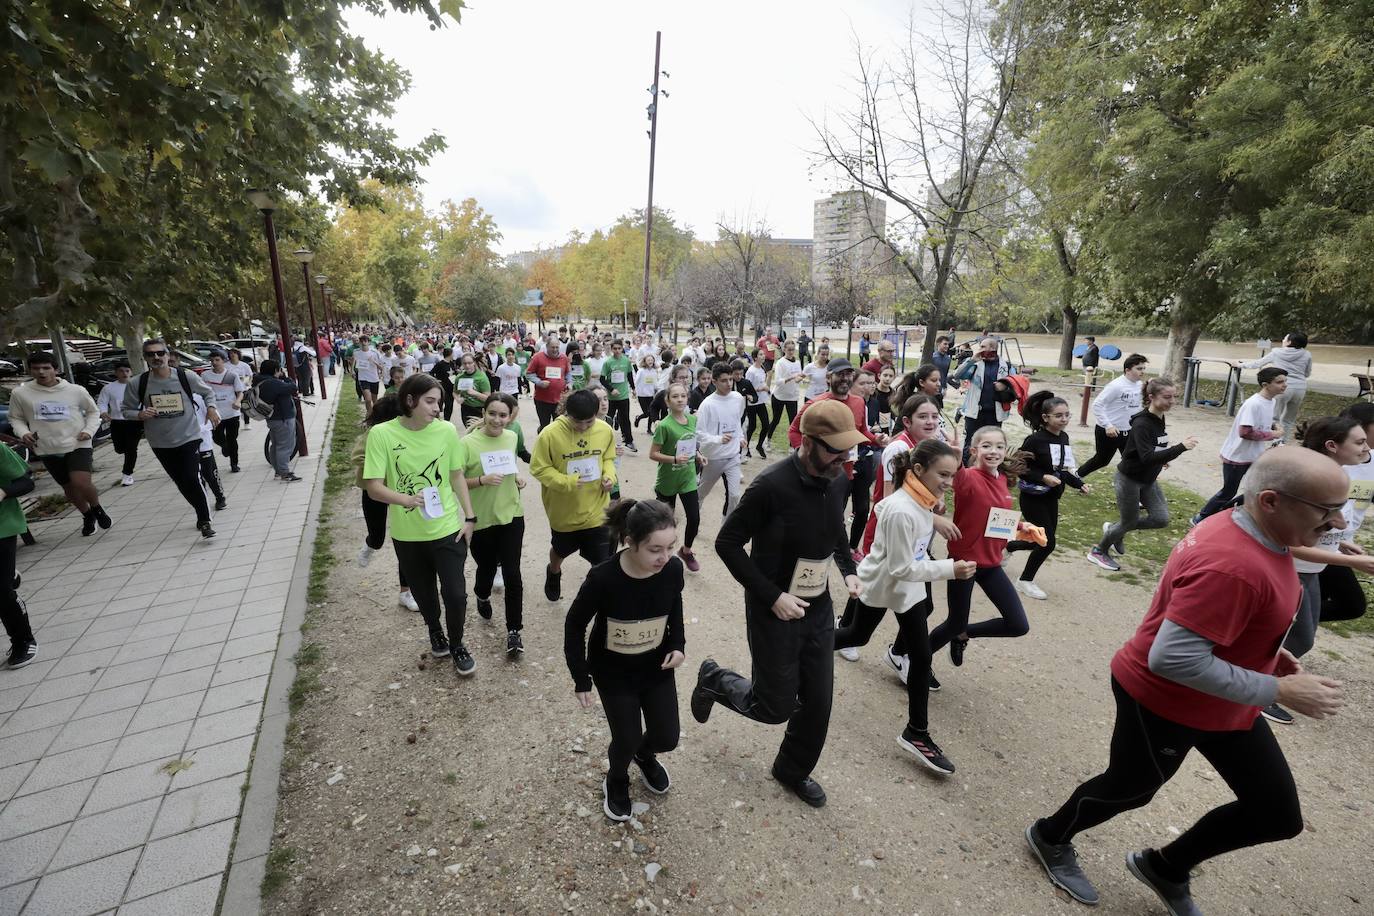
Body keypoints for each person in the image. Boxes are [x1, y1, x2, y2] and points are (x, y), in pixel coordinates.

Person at [1026, 447, 1345, 914]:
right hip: (1163, 699)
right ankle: (1050, 835)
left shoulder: (1249, 525)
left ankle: (1166, 867)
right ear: (1272, 500)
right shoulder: (1233, 565)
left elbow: (1223, 617)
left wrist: (1268, 653)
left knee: (1275, 813)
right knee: (1131, 787)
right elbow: (1172, 658)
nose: (1337, 523)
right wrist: (1277, 690)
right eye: (1326, 510)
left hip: (1222, 700)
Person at [690, 400, 866, 808]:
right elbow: (727, 543)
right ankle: (714, 679)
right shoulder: (770, 486)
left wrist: (847, 567)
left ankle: (792, 770)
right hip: (773, 610)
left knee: (818, 702)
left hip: (817, 606)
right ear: (807, 442)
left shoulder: (838, 479)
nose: (844, 457)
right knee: (773, 708)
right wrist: (772, 596)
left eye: (848, 449)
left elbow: (835, 529)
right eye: (835, 449)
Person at [835, 439, 976, 774]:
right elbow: (900, 567)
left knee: (921, 655)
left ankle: (917, 732)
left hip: (907, 589)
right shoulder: (904, 508)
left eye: (952, 475)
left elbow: (896, 523)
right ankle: (803, 644)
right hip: (886, 582)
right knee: (856, 634)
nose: (948, 482)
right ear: (918, 471)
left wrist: (934, 523)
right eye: (943, 474)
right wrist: (949, 570)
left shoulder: (921, 499)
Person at [564, 499, 686, 821]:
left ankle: (643, 756)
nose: (664, 557)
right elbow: (575, 624)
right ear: (631, 542)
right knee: (626, 737)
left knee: (667, 737)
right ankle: (616, 778)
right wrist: (581, 676)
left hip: (656, 667)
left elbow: (674, 604)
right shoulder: (603, 578)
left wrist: (677, 643)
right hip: (614, 673)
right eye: (655, 549)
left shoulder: (672, 569)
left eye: (670, 547)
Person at [363, 373, 478, 674]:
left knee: (456, 594)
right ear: (410, 400)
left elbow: (455, 475)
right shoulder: (382, 435)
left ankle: (457, 644)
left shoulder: (446, 431)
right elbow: (373, 486)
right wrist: (406, 500)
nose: (437, 408)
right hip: (408, 534)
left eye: (439, 402)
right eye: (430, 401)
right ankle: (434, 630)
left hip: (447, 529)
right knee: (425, 594)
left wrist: (469, 517)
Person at [927, 425, 1037, 673]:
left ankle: (963, 634)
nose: (993, 451)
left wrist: (1021, 526)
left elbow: (995, 517)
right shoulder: (968, 477)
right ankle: (914, 659)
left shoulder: (1001, 479)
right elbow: (958, 473)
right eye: (986, 446)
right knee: (954, 622)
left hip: (991, 563)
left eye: (999, 446)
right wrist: (955, 457)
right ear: (975, 451)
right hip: (964, 564)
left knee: (1018, 625)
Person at [1089, 378, 1199, 571]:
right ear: (1151, 397)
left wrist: (1162, 458)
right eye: (1167, 397)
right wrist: (1181, 447)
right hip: (1129, 479)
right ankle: (1099, 550)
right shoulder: (1142, 423)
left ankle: (1115, 529)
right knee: (1129, 521)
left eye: (1174, 397)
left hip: (1148, 479)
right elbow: (1147, 456)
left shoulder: (1159, 417)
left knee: (1160, 519)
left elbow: (1149, 448)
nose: (1172, 401)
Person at [122, 339, 219, 537]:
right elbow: (125, 411)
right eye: (151, 354)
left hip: (189, 436)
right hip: (160, 442)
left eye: (160, 353)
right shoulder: (137, 383)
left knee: (192, 477)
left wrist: (211, 408)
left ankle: (204, 520)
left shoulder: (185, 376)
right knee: (182, 482)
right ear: (145, 358)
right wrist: (139, 415)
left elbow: (208, 393)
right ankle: (200, 506)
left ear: (167, 355)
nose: (156, 357)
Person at [8, 351, 109, 536]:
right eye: (36, 368)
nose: (41, 372)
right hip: (47, 447)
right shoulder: (21, 393)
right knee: (69, 488)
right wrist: (24, 433)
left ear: (56, 369)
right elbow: (16, 418)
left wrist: (88, 431)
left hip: (77, 443)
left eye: (46, 368)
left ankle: (97, 507)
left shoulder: (74, 390)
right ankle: (87, 515)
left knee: (81, 482)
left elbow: (93, 412)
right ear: (30, 370)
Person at [530, 389, 617, 602]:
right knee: (559, 551)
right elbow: (538, 468)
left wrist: (609, 476)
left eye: (590, 422)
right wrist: (567, 481)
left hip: (596, 509)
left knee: (602, 561)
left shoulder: (605, 430)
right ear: (567, 412)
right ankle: (554, 571)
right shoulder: (549, 434)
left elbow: (608, 458)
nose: (584, 427)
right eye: (579, 422)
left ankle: (598, 598)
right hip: (564, 512)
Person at [1006, 391, 1089, 600]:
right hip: (1033, 497)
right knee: (1048, 542)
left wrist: (1079, 484)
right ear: (1045, 418)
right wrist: (1042, 477)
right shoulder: (1034, 440)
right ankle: (1025, 581)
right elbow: (1018, 466)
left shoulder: (1064, 437)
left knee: (1038, 540)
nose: (1064, 419)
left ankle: (1009, 547)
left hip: (1051, 497)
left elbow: (1061, 469)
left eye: (1067, 415)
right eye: (1058, 416)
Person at [462, 393, 527, 656]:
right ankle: (481, 594)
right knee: (486, 567)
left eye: (503, 415)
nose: (497, 420)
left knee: (513, 574)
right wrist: (481, 481)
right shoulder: (467, 443)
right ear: (484, 412)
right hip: (481, 518)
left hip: (511, 514)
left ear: (510, 417)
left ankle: (514, 632)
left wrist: (517, 478)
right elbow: (454, 482)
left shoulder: (511, 437)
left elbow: (508, 467)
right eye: (492, 413)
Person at [1191, 367, 1287, 524]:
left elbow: (1264, 420)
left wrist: (1274, 426)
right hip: (1237, 456)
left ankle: (1230, 515)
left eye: (1285, 381)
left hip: (1254, 456)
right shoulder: (1253, 404)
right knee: (1228, 492)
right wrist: (1272, 435)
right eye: (1279, 382)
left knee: (1259, 489)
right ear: (1265, 384)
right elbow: (1245, 432)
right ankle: (1201, 517)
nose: (1284, 385)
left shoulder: (1271, 401)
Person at [352, 393, 418, 613]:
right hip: (375, 492)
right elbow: (357, 457)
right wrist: (381, 464)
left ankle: (405, 591)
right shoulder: (374, 434)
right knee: (378, 536)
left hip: (402, 491)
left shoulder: (408, 432)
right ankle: (370, 544)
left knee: (406, 543)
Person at [650, 382, 706, 572]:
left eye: (683, 396)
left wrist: (698, 455)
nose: (680, 399)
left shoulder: (692, 420)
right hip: (667, 481)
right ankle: (663, 555)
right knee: (667, 524)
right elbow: (653, 454)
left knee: (694, 518)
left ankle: (686, 551)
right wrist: (674, 458)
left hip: (688, 477)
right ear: (667, 401)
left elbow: (690, 444)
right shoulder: (664, 426)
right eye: (675, 396)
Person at [1078, 354, 1149, 477]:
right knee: (1102, 460)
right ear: (1127, 370)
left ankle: (1133, 486)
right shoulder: (1116, 386)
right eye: (1139, 369)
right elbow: (1097, 405)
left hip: (1129, 431)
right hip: (1109, 431)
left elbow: (1139, 407)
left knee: (1132, 460)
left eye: (1143, 368)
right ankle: (1076, 475)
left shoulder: (1140, 385)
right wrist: (1108, 425)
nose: (1142, 372)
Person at [1, 442, 37, 668]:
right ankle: (7, 573)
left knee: (1, 593)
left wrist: (3, 491)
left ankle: (23, 639)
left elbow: (26, 481)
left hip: (2, 525)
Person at [694, 363, 747, 519]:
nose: (729, 383)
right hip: (713, 458)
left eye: (731, 379)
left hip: (732, 456)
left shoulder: (737, 398)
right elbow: (698, 433)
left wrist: (741, 437)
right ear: (714, 381)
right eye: (724, 380)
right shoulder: (707, 404)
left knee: (735, 496)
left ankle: (726, 527)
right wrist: (718, 439)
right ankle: (694, 516)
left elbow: (737, 421)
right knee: (702, 493)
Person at [1239, 332, 1311, 440]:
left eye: (1284, 338)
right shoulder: (1307, 354)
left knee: (1274, 418)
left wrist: (1240, 365)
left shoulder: (1277, 352)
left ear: (1289, 342)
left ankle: (1272, 441)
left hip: (1281, 387)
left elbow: (1258, 364)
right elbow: (1307, 373)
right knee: (1288, 420)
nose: (1283, 340)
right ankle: (1282, 442)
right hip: (1300, 388)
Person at [950, 337, 1016, 456]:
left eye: (982, 347)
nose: (979, 349)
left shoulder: (1006, 366)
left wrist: (1005, 386)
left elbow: (1016, 387)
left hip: (995, 414)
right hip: (974, 413)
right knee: (970, 443)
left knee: (992, 443)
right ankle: (967, 471)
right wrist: (971, 360)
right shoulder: (975, 363)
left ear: (992, 348)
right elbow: (957, 375)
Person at [251, 359, 302, 482]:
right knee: (285, 446)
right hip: (283, 418)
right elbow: (292, 387)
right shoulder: (273, 383)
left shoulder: (259, 380)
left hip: (273, 418)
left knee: (276, 445)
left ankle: (278, 471)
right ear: (275, 370)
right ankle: (284, 473)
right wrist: (287, 378)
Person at [97, 362, 141, 486]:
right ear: (116, 373)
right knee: (120, 449)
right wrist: (103, 412)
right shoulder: (109, 388)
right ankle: (124, 455)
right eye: (121, 371)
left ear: (131, 372)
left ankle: (127, 474)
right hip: (117, 421)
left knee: (131, 448)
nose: (124, 374)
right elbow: (102, 402)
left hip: (134, 421)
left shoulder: (137, 386)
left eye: (127, 371)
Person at [202, 352, 246, 473]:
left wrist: (238, 402)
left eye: (217, 360)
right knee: (217, 437)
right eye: (212, 360)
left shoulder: (232, 375)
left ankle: (234, 464)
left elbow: (240, 391)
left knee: (233, 440)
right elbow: (203, 393)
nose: (214, 363)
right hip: (216, 413)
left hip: (232, 412)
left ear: (223, 361)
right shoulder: (205, 376)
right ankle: (224, 446)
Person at [599, 340, 636, 450]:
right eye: (615, 348)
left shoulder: (626, 361)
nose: (617, 351)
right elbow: (602, 379)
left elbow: (629, 375)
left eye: (619, 348)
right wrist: (611, 389)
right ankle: (605, 440)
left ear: (622, 348)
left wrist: (633, 388)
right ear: (611, 349)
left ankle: (628, 441)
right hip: (611, 397)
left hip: (623, 396)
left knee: (625, 419)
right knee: (608, 418)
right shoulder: (608, 362)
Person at [528, 337, 571, 432]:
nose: (555, 350)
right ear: (546, 346)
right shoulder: (537, 357)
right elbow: (529, 374)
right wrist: (539, 382)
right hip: (542, 400)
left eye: (557, 347)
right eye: (552, 347)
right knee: (545, 426)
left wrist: (569, 382)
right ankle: (543, 443)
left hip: (559, 400)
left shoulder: (564, 358)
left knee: (559, 426)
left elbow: (568, 373)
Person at [744, 349, 771, 459]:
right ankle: (746, 448)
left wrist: (767, 389)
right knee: (752, 426)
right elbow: (746, 388)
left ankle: (759, 446)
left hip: (761, 402)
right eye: (760, 354)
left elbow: (763, 382)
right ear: (755, 357)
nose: (763, 356)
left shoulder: (762, 368)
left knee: (766, 425)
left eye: (763, 354)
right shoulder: (751, 371)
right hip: (752, 403)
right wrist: (760, 389)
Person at [455, 352, 492, 427]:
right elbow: (455, 392)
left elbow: (488, 398)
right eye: (465, 363)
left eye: (469, 363)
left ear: (474, 363)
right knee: (469, 432)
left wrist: (475, 393)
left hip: (479, 409)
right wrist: (457, 398)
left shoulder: (482, 377)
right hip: (466, 408)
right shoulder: (459, 377)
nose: (467, 366)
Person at [354, 338, 388, 416]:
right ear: (359, 342)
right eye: (361, 341)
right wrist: (352, 370)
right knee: (368, 399)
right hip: (363, 378)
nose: (363, 343)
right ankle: (369, 414)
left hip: (374, 378)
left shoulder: (375, 353)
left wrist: (373, 361)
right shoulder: (356, 352)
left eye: (365, 341)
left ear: (368, 342)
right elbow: (354, 361)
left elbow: (381, 367)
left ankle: (375, 414)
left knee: (374, 400)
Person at [225, 348, 255, 427]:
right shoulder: (226, 366)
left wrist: (248, 383)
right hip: (232, 389)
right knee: (236, 405)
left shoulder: (244, 365)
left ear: (238, 354)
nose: (233, 355)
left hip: (244, 388)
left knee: (245, 405)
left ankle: (247, 423)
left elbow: (250, 375)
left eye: (234, 353)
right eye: (231, 353)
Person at [633, 354, 659, 431]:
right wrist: (635, 392)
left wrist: (656, 390)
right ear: (645, 361)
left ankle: (649, 429)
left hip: (651, 394)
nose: (650, 361)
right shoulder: (641, 371)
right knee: (646, 413)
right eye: (648, 360)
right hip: (642, 395)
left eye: (651, 360)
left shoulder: (654, 371)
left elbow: (655, 382)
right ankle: (638, 417)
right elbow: (636, 382)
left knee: (651, 412)